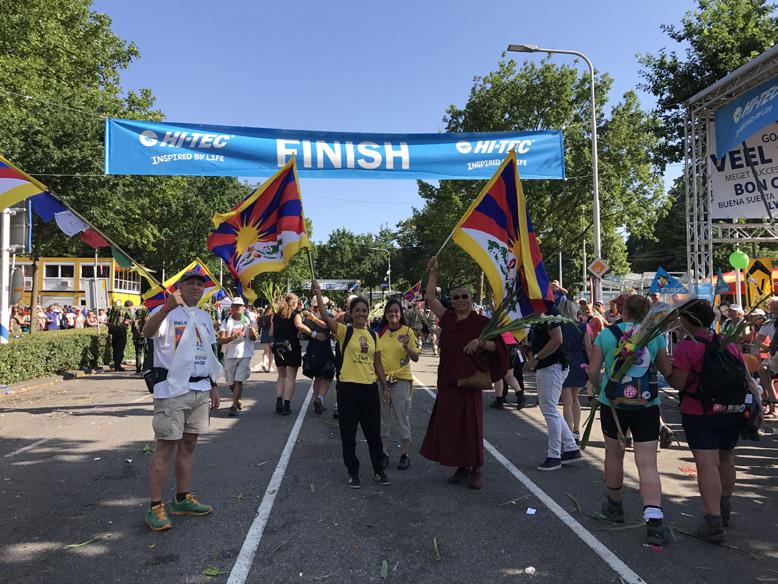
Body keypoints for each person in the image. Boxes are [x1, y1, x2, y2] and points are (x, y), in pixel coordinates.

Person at [667, 299, 762, 543]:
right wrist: (759, 405)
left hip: (699, 411)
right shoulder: (726, 343)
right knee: (727, 457)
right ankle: (724, 506)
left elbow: (678, 383)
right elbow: (747, 378)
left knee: (706, 464)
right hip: (730, 410)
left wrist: (667, 368)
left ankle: (713, 521)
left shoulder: (688, 347)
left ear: (688, 321)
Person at [141, 270, 222, 532]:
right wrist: (165, 308)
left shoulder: (205, 317)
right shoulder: (169, 313)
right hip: (173, 388)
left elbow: (208, 352)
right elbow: (147, 331)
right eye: (191, 284)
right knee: (165, 446)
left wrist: (213, 385)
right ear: (180, 288)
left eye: (200, 285)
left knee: (189, 444)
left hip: (200, 387)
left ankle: (182, 499)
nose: (197, 288)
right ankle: (155, 507)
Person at [589, 294, 673, 546]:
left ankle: (615, 506)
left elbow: (593, 371)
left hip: (613, 404)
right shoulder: (655, 336)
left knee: (614, 454)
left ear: (623, 311)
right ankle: (654, 520)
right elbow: (666, 371)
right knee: (647, 463)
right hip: (647, 405)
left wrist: (598, 390)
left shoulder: (606, 334)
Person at [419, 257, 507, 490]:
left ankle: (476, 467)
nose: (459, 300)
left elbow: (498, 346)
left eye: (464, 297)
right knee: (450, 426)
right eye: (456, 297)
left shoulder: (482, 323)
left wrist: (479, 342)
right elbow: (429, 297)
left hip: (470, 383)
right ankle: (461, 465)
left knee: (472, 426)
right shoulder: (447, 319)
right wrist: (434, 273)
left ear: (471, 300)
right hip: (449, 381)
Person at [311, 279, 391, 488]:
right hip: (348, 390)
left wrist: (384, 386)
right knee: (348, 434)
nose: (361, 314)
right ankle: (353, 472)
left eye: (364, 311)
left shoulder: (374, 336)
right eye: (357, 311)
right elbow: (326, 317)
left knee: (374, 434)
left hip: (369, 390)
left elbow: (378, 364)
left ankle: (378, 470)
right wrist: (319, 293)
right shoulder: (344, 331)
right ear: (350, 312)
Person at [376, 298, 419, 470]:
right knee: (382, 419)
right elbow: (375, 358)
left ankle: (404, 453)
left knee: (402, 418)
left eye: (396, 311)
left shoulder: (408, 331)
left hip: (401, 381)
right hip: (382, 381)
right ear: (385, 314)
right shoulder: (379, 332)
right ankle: (384, 453)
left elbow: (415, 357)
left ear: (400, 314)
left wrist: (407, 347)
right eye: (390, 311)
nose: (393, 314)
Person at [559, 299, 592, 441]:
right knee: (575, 397)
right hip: (579, 361)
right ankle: (576, 430)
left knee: (567, 400)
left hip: (564, 361)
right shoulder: (582, 326)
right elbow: (589, 347)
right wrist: (591, 365)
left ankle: (568, 432)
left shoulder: (559, 326)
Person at [219, 297, 258, 417]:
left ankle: (234, 405)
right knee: (231, 383)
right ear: (231, 308)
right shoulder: (226, 321)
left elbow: (254, 339)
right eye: (236, 305)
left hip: (245, 354)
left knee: (238, 380)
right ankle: (237, 398)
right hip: (230, 355)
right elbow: (221, 341)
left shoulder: (248, 320)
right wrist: (233, 337)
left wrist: (252, 333)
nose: (238, 308)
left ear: (244, 307)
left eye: (240, 305)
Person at [269, 293, 307, 415]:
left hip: (278, 347)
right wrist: (312, 333)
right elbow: (299, 326)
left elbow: (271, 333)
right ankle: (287, 404)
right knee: (291, 377)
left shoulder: (275, 316)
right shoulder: (295, 315)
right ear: (295, 303)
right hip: (292, 347)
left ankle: (278, 401)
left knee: (281, 376)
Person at [302, 295, 336, 414]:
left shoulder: (308, 318)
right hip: (323, 350)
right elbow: (327, 325)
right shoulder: (327, 316)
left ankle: (318, 400)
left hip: (313, 350)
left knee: (318, 377)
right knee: (327, 377)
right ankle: (319, 399)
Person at [109, 301, 134, 372]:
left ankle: (115, 365)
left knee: (115, 348)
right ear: (129, 306)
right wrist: (128, 322)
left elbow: (110, 319)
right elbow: (132, 319)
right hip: (121, 331)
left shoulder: (115, 310)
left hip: (114, 331)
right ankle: (118, 366)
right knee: (120, 349)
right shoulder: (126, 310)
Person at [257, 305, 275, 373]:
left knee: (266, 351)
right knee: (271, 352)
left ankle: (264, 363)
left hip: (264, 333)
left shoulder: (263, 315)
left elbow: (260, 325)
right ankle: (270, 367)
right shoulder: (272, 315)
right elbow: (272, 323)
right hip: (271, 333)